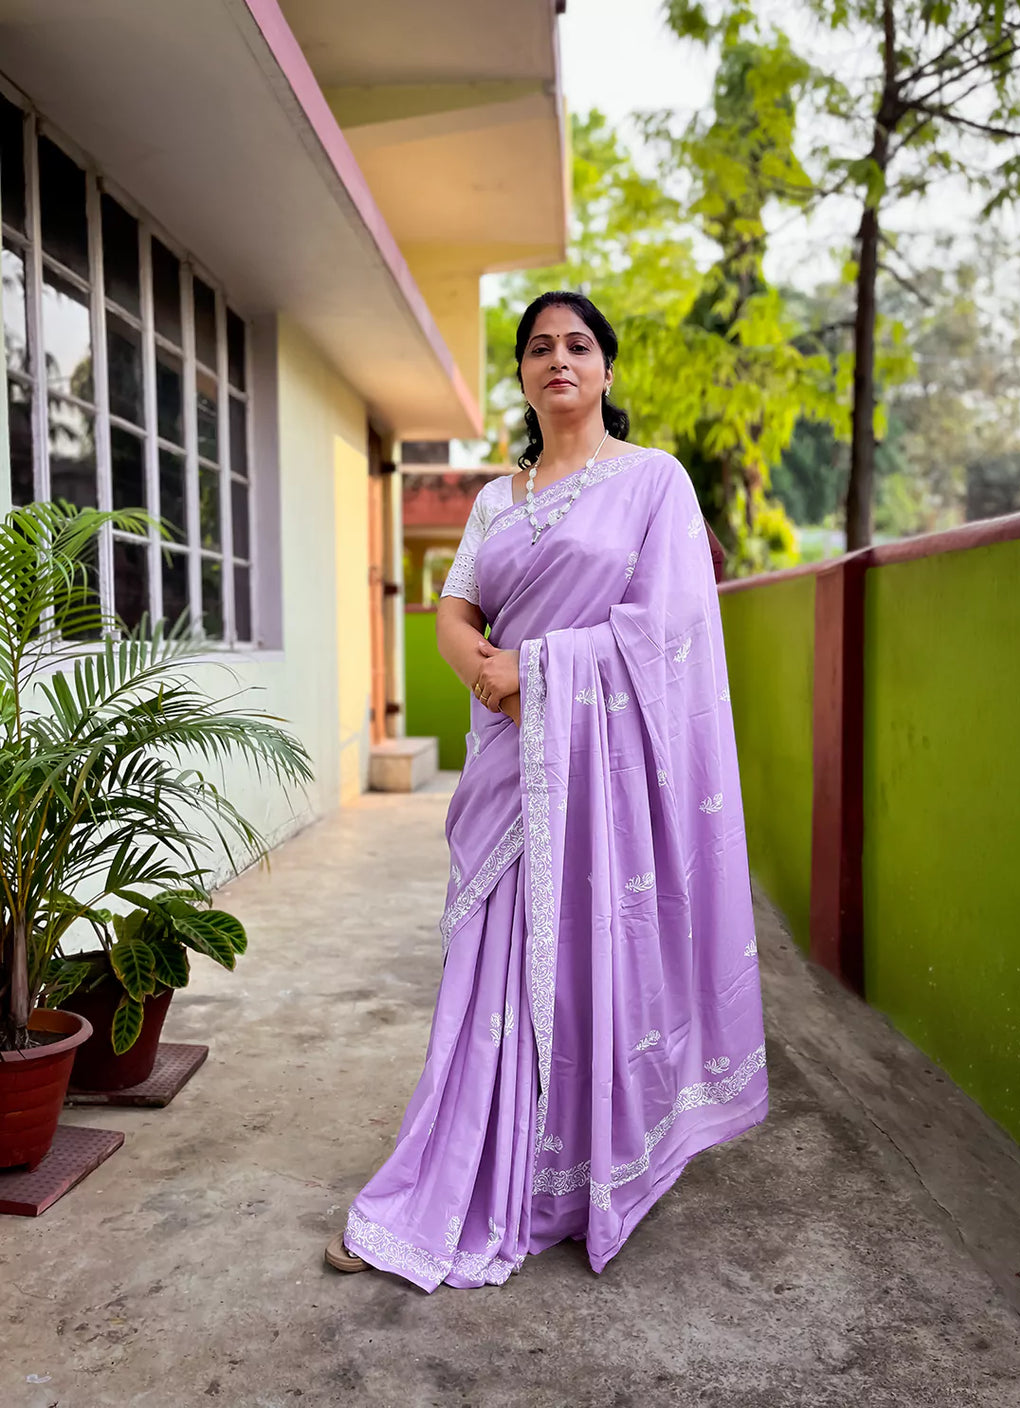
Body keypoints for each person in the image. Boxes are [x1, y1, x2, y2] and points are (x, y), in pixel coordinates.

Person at [324, 291, 768, 1290]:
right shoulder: (496, 498)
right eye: (537, 347)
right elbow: (455, 608)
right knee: (487, 978)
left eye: (576, 344)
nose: (556, 358)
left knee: (585, 969)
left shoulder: (652, 482)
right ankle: (461, 1171)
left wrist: (540, 668)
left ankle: (581, 1172)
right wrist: (482, 666)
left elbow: (667, 631)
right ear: (521, 377)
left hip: (591, 775)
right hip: (507, 772)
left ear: (606, 371)